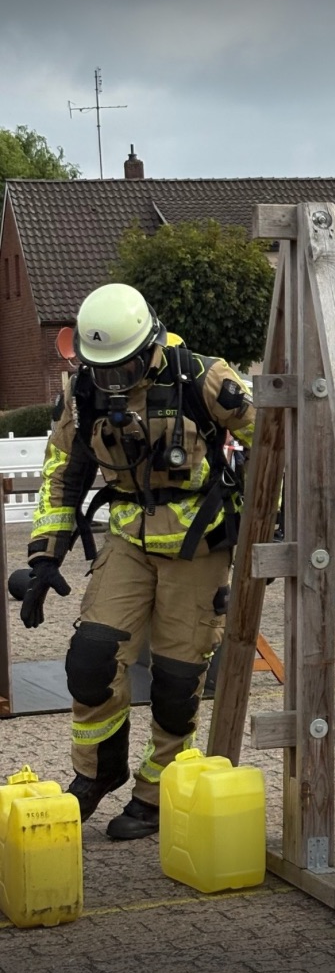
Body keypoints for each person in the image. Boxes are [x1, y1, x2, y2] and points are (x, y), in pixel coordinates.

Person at [20, 283, 255, 839]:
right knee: (91, 661)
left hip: (198, 545)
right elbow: (62, 471)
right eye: (103, 370)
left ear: (150, 346)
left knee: (176, 682)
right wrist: (44, 557)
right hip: (128, 540)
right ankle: (97, 772)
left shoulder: (204, 378)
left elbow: (275, 440)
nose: (115, 382)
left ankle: (156, 793)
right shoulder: (83, 391)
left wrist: (269, 519)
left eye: (124, 369)